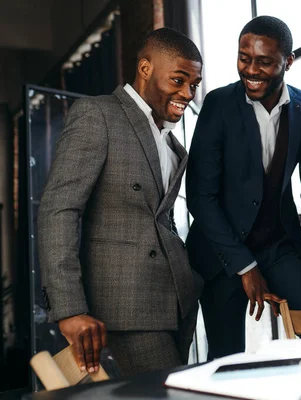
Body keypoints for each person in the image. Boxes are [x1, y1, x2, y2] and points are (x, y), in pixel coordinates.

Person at [37, 28, 204, 376]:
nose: (187, 93)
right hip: (123, 307)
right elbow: (59, 210)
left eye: (194, 84)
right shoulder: (98, 115)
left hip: (175, 304)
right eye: (178, 80)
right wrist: (69, 308)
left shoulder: (171, 143)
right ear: (145, 69)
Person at [186, 16, 301, 359]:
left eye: (264, 61)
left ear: (288, 61)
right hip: (221, 250)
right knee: (226, 355)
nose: (250, 70)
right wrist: (244, 267)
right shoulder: (218, 105)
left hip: (279, 246)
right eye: (243, 58)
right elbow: (200, 197)